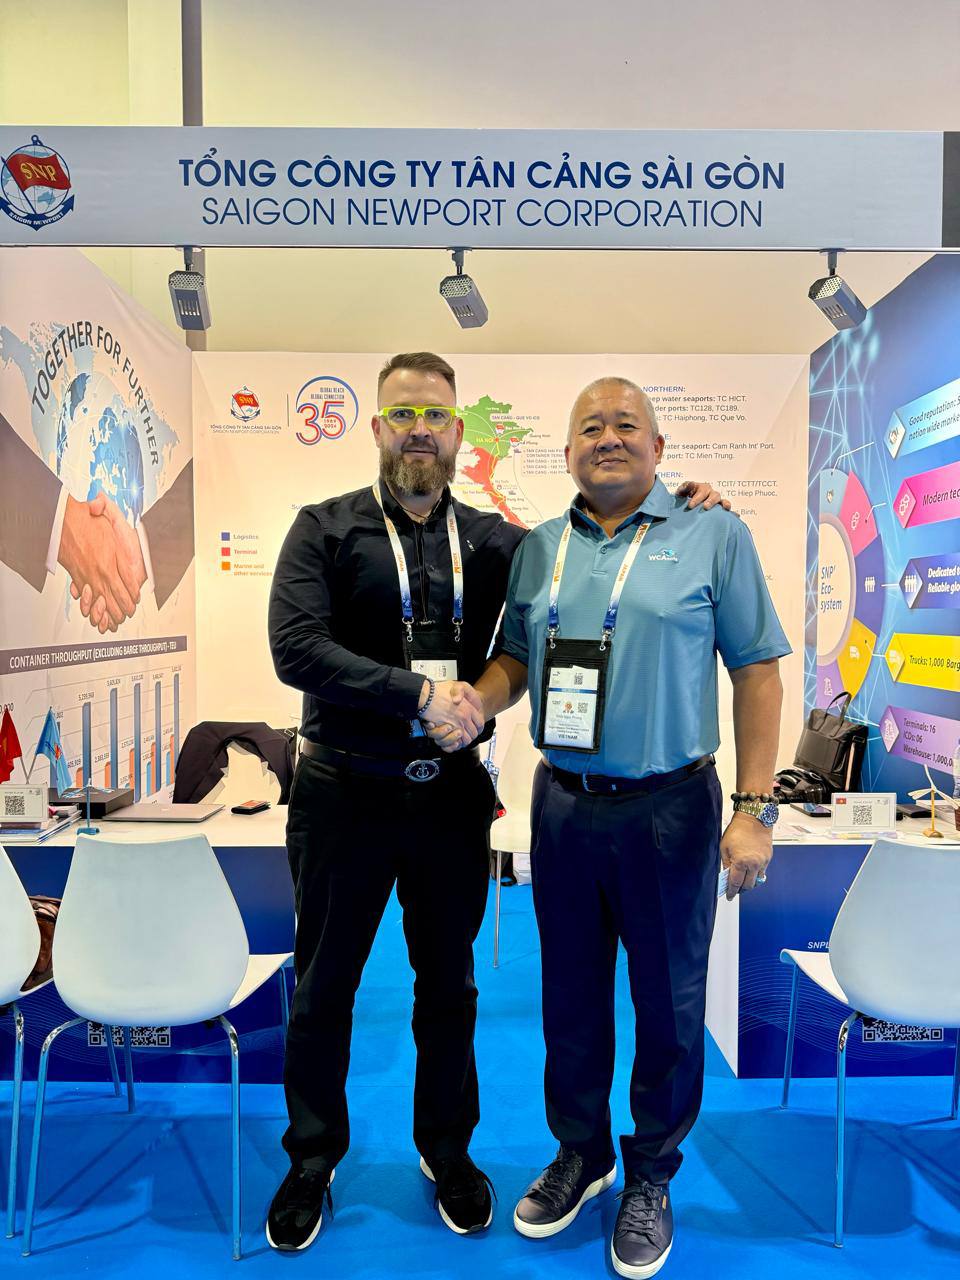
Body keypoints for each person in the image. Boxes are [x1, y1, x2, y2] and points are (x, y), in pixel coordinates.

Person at [265, 352, 726, 1253]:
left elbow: (586, 564)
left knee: (450, 987)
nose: (420, 431)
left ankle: (449, 1151)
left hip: (447, 799)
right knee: (324, 987)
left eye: (435, 417)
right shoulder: (321, 530)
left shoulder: (502, 545)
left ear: (458, 433)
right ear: (378, 428)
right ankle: (311, 1161)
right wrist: (417, 694)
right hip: (341, 795)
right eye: (403, 415)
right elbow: (296, 649)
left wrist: (686, 503)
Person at [432, 376, 789, 1279]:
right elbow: (517, 657)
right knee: (570, 998)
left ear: (660, 449)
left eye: (628, 424)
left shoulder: (714, 533)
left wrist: (755, 810)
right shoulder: (541, 548)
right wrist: (479, 700)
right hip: (563, 806)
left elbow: (757, 672)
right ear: (568, 454)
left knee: (669, 1004)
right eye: (590, 427)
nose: (608, 438)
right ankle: (581, 1152)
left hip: (671, 807)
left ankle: (652, 1174)